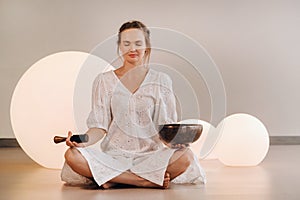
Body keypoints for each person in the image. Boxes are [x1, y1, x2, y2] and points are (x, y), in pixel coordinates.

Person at [61, 20, 206, 189]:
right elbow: (99, 127)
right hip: (113, 158)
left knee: (185, 156)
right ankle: (142, 180)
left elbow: (165, 129)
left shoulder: (161, 80)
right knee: (72, 155)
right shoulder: (104, 81)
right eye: (127, 43)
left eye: (138, 43)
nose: (132, 49)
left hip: (150, 157)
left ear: (147, 47)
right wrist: (82, 141)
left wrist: (175, 143)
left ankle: (114, 179)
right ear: (120, 47)